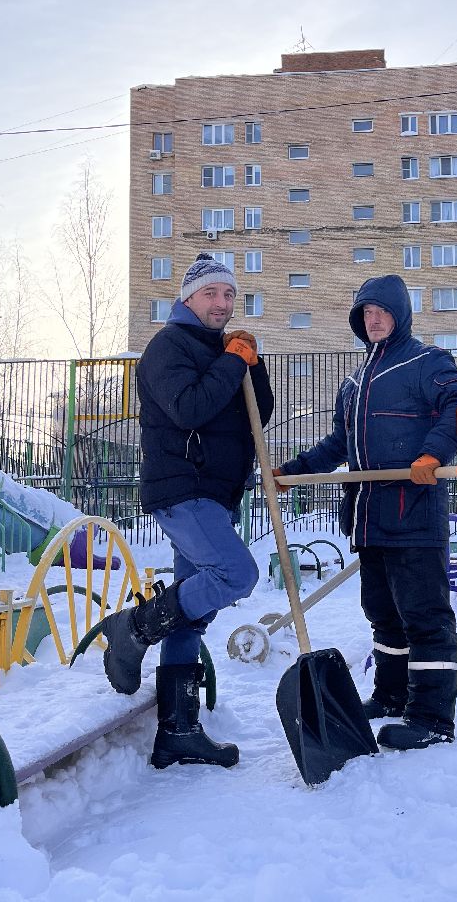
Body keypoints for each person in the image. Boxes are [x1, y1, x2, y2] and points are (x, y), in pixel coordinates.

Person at [278, 274, 457, 750]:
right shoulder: (355, 382)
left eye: (380, 311)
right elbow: (339, 444)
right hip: (369, 517)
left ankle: (431, 717)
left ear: (400, 314)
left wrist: (432, 454)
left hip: (413, 514)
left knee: (424, 617)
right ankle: (390, 696)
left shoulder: (428, 362)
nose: (371, 320)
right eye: (364, 314)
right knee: (383, 615)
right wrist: (295, 470)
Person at [100, 253, 273, 769]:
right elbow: (191, 408)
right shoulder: (167, 348)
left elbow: (255, 414)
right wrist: (232, 361)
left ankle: (178, 730)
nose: (221, 304)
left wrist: (252, 365)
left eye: (228, 295)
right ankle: (131, 629)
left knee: (189, 615)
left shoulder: (218, 350)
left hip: (213, 494)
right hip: (183, 489)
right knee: (236, 573)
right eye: (210, 294)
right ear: (186, 298)